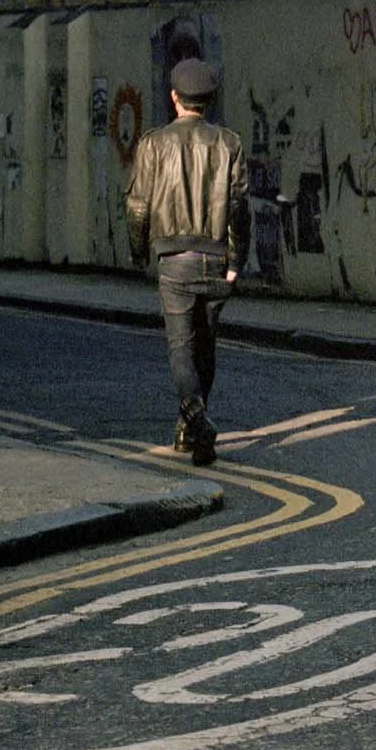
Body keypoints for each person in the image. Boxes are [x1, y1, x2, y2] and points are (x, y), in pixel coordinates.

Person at [124, 58, 249, 465]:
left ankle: (197, 421)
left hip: (173, 259)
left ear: (174, 97)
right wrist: (236, 260)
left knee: (181, 349)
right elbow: (237, 207)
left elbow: (138, 205)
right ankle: (190, 431)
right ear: (209, 100)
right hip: (216, 259)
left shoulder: (153, 143)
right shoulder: (229, 144)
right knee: (205, 347)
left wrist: (140, 251)